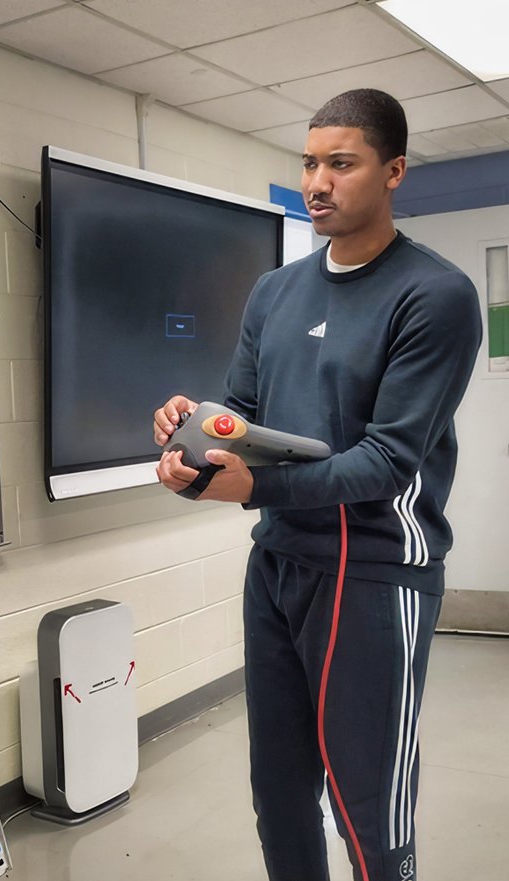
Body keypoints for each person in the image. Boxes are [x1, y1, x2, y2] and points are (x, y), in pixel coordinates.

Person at [151, 89, 482, 881]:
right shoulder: (275, 292)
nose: (318, 182)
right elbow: (246, 418)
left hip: (371, 575)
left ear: (393, 171)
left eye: (342, 163)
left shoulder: (435, 295)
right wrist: (191, 439)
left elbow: (386, 461)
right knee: (279, 791)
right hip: (279, 566)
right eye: (309, 162)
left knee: (367, 803)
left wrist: (250, 490)